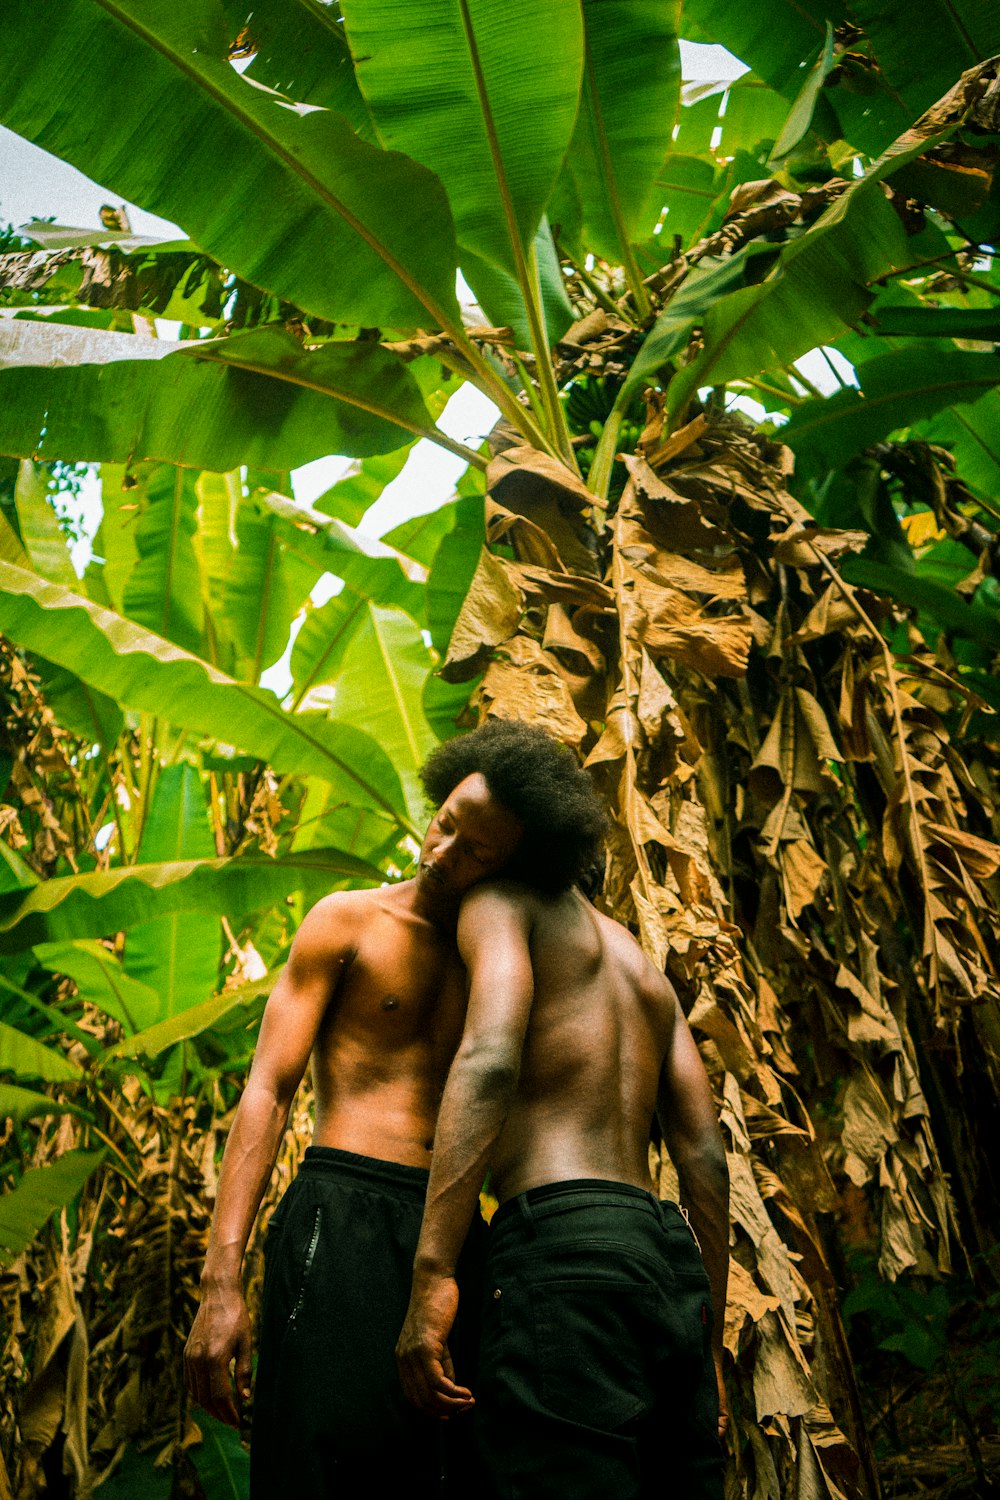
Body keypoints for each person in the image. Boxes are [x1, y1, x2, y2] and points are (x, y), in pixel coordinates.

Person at [183, 719, 606, 1499]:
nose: (443, 853)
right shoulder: (348, 919)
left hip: (452, 1237)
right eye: (445, 824)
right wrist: (222, 1281)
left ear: (516, 864)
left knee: (436, 1471)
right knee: (313, 1457)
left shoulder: (513, 964)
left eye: (476, 849)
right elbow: (267, 1091)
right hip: (337, 1213)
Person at [397, 788, 730, 1497]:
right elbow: (703, 1155)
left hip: (560, 1241)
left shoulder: (502, 907)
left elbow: (490, 1058)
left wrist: (432, 1274)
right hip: (666, 1256)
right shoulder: (640, 965)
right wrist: (708, 1340)